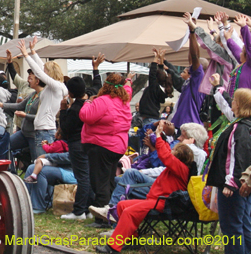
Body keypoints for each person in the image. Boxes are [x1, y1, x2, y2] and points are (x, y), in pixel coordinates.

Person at [95, 121, 195, 254]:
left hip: (163, 203)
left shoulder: (181, 168)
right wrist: (159, 134)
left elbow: (165, 155)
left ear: (179, 155)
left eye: (175, 150)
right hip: (155, 201)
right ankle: (133, 240)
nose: (172, 150)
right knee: (122, 205)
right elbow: (165, 152)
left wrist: (158, 135)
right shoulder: (177, 166)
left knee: (129, 212)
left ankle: (113, 247)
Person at [82, 71, 133, 224]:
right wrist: (129, 79)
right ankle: (110, 212)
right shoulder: (125, 100)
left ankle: (102, 217)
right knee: (109, 180)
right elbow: (128, 89)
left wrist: (87, 102)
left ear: (105, 85)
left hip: (101, 146)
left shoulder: (102, 101)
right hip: (117, 147)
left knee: (100, 182)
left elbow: (86, 116)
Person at [206, 88, 251, 254]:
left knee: (232, 227)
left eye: (233, 100)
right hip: (245, 183)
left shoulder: (239, 128)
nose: (231, 102)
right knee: (244, 224)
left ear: (239, 104)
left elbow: (237, 156)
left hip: (233, 185)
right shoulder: (246, 125)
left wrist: (230, 182)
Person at [20, 37, 67, 159]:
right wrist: (33, 51)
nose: (43, 73)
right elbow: (41, 68)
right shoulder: (56, 86)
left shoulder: (56, 86)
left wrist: (26, 55)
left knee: (41, 162)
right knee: (40, 161)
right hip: (43, 129)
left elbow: (39, 72)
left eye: (46, 71)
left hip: (45, 130)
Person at [59, 74, 92, 220]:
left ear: (71, 93)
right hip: (89, 143)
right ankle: (90, 207)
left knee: (82, 177)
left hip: (77, 143)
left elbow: (66, 129)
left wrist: (63, 110)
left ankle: (79, 211)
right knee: (89, 176)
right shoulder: (90, 103)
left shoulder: (75, 109)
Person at [169, 12, 207, 127]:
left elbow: (195, 56)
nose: (188, 66)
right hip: (182, 123)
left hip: (189, 124)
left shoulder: (199, 77)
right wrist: (192, 34)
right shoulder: (193, 79)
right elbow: (192, 57)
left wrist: (192, 31)